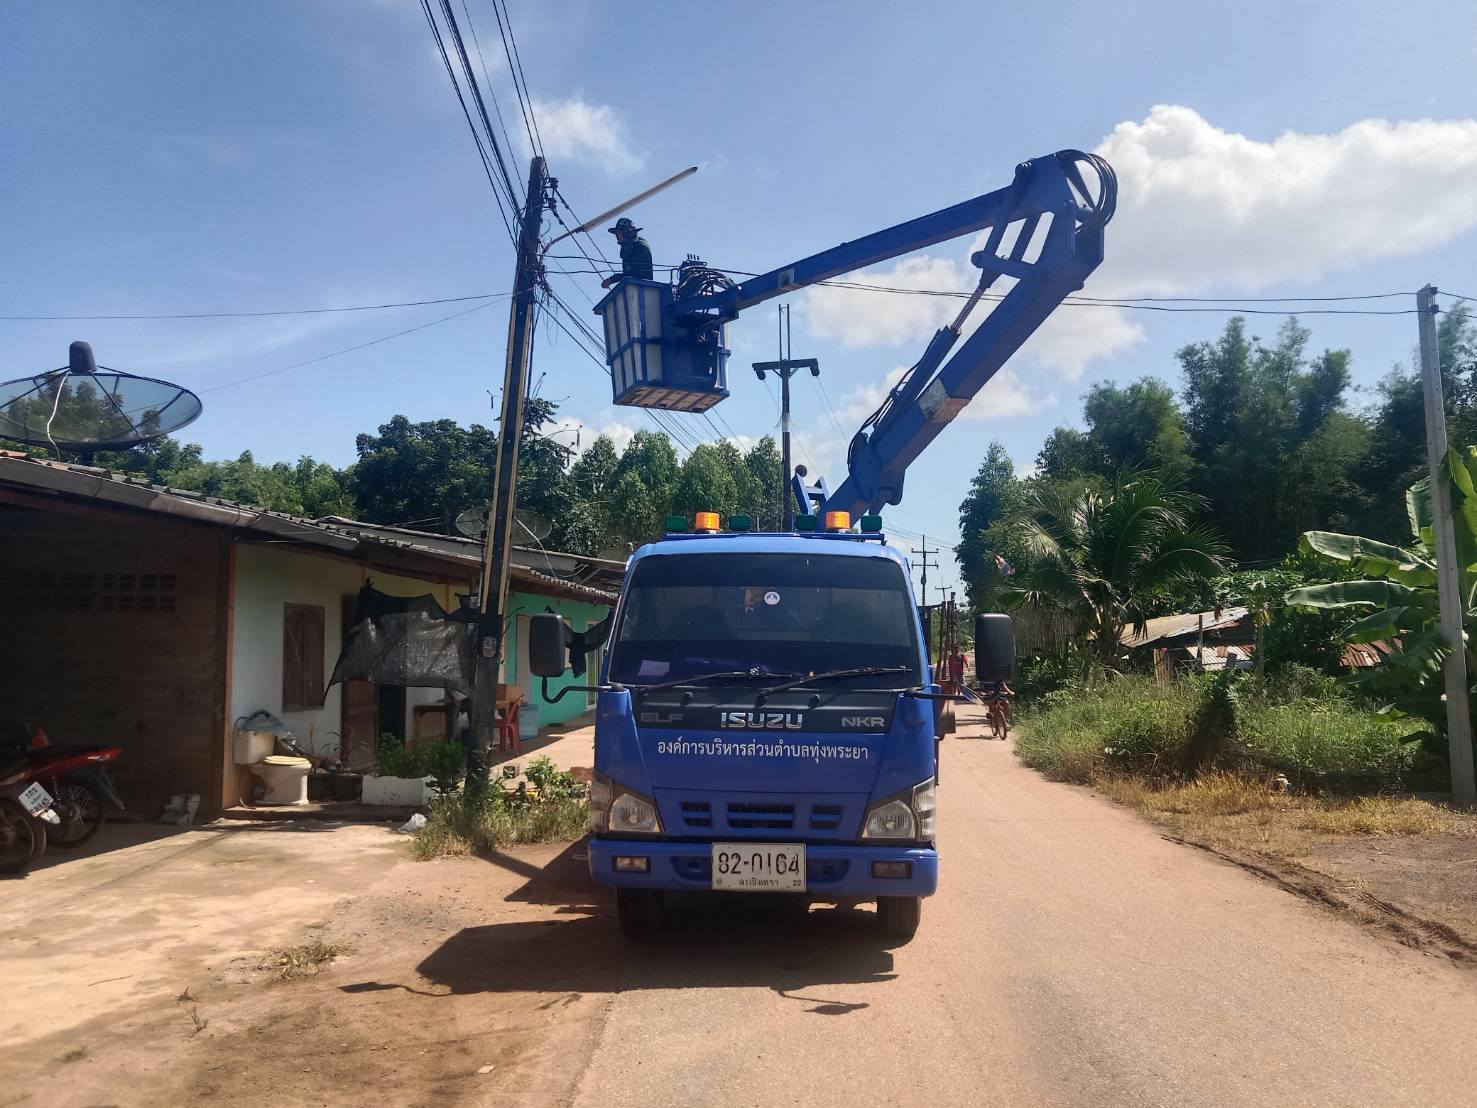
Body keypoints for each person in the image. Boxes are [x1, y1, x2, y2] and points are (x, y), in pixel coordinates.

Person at [601, 217, 654, 287]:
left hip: (643, 288)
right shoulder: (627, 247)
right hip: (634, 288)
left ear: (627, 233)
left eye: (618, 233)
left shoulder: (640, 247)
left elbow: (634, 275)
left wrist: (612, 279)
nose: (616, 236)